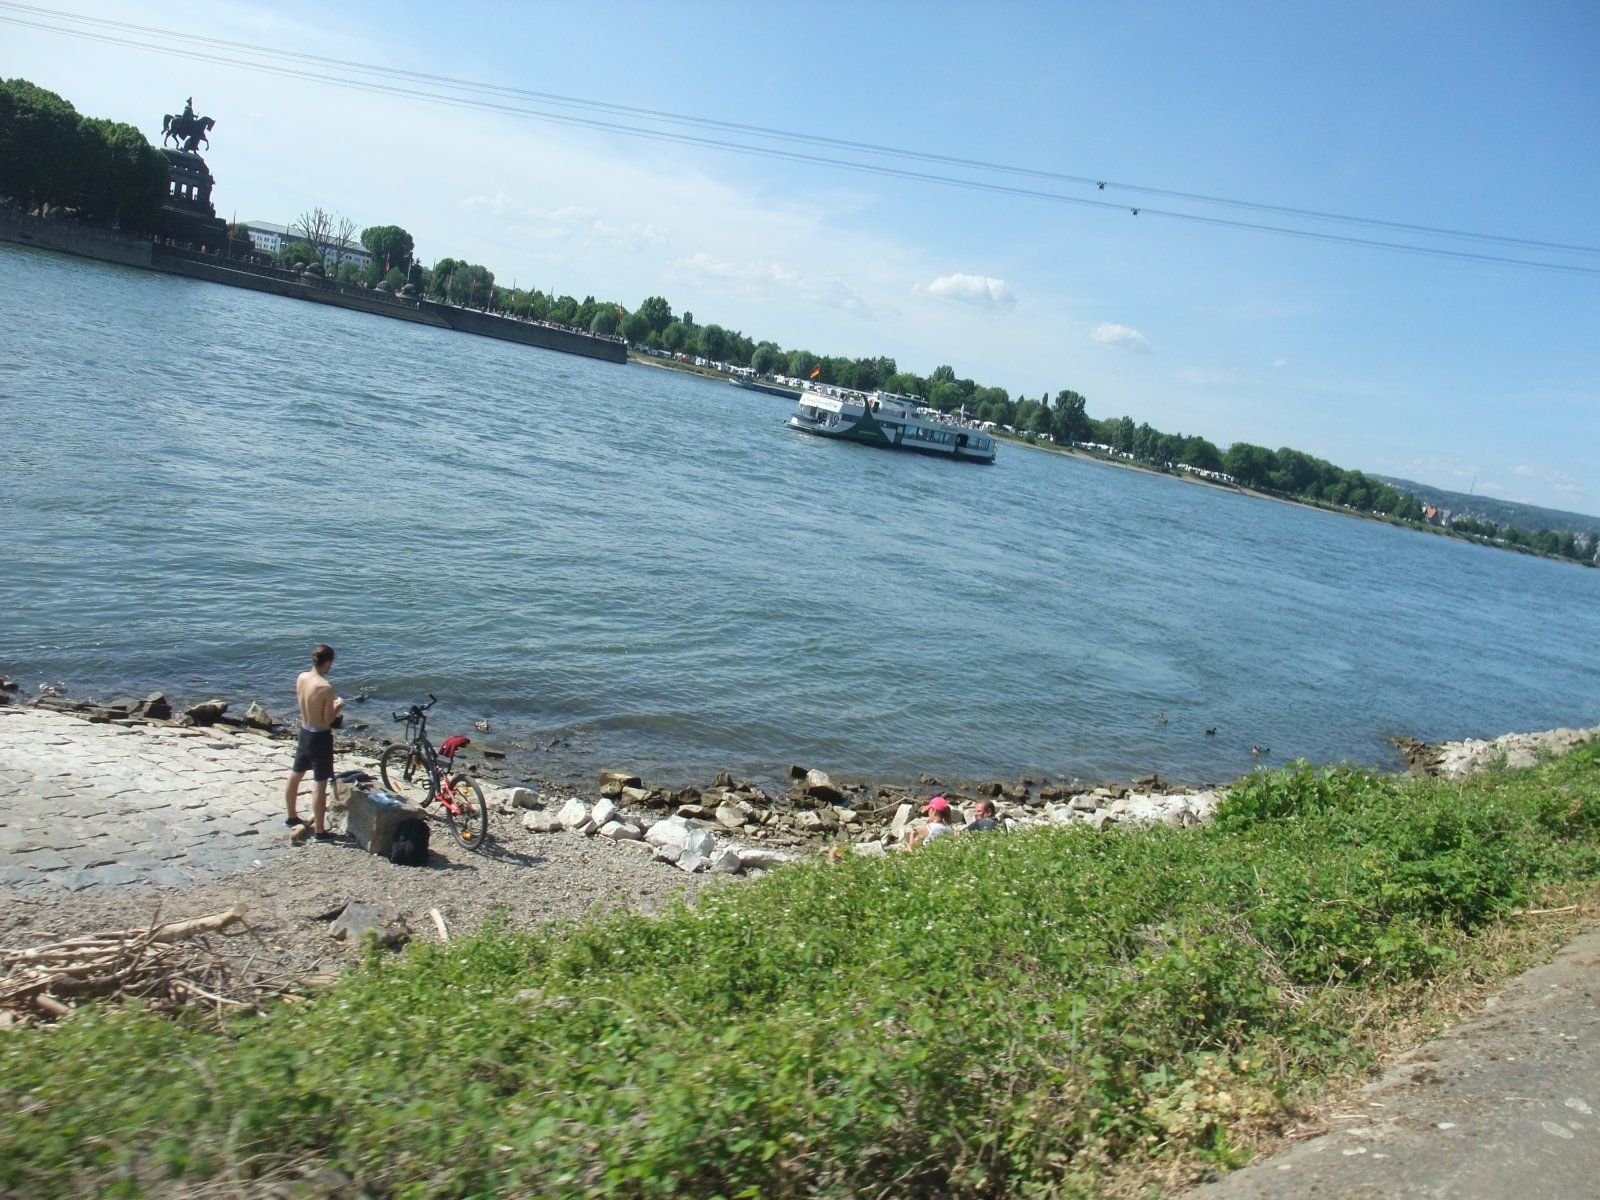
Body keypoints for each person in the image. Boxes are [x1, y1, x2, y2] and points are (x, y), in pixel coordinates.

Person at [284, 644, 344, 839]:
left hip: (304, 731)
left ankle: (291, 816)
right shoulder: (325, 687)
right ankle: (319, 830)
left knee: (296, 774)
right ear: (327, 663)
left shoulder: (301, 677)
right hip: (319, 737)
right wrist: (338, 706)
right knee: (320, 782)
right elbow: (327, 720)